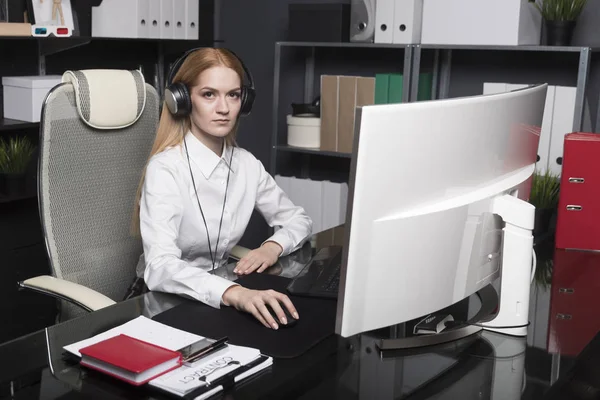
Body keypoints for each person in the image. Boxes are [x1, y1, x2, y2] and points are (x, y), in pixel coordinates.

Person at [130, 47, 313, 330]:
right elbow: (160, 266)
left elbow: (298, 219)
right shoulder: (166, 169)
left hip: (222, 291)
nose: (224, 108)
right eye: (208, 94)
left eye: (234, 95)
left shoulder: (247, 165)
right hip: (166, 301)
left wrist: (273, 246)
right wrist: (233, 293)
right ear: (183, 100)